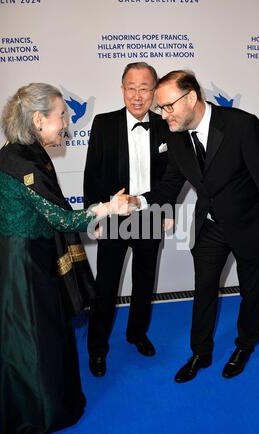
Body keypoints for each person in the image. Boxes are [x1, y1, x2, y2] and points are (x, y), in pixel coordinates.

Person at [130, 70, 259, 382]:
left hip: (249, 225)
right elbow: (169, 186)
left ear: (191, 98)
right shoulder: (176, 138)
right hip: (210, 226)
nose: (164, 115)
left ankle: (245, 345)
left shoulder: (241, 125)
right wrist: (137, 201)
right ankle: (200, 353)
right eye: (160, 108)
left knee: (251, 291)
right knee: (203, 290)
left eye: (168, 106)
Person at [0, 83, 129, 434]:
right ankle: (42, 413)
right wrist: (106, 208)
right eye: (62, 116)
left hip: (30, 256)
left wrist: (90, 220)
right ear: (38, 119)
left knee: (45, 335)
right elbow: (62, 220)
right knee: (36, 340)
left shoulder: (25, 152)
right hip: (22, 268)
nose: (67, 124)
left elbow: (49, 211)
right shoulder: (23, 164)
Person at [84, 62, 173, 377]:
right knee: (106, 286)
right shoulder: (104, 124)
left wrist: (167, 210)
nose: (138, 96)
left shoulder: (166, 125)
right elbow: (91, 174)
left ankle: (137, 333)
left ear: (154, 91)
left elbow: (172, 176)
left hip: (150, 215)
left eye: (145, 88)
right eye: (131, 88)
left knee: (145, 281)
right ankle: (97, 348)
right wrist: (94, 213)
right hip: (114, 215)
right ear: (122, 89)